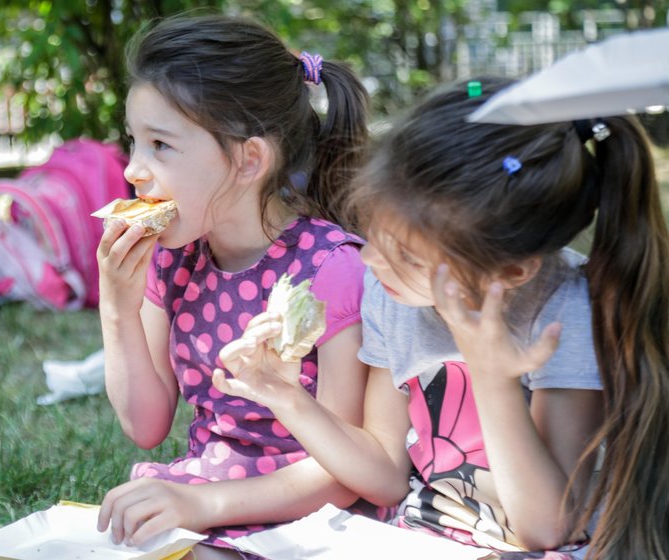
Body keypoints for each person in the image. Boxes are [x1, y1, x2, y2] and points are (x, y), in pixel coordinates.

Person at [214, 76, 669, 559]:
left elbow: (547, 527)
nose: (370, 264)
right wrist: (284, 396)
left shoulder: (564, 314)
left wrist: (492, 376)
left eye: (407, 255)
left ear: (512, 270)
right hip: (422, 538)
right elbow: (386, 476)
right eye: (373, 236)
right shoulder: (393, 294)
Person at [94, 14, 371, 558]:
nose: (133, 170)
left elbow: (346, 472)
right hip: (204, 494)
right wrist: (117, 308)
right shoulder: (175, 261)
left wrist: (202, 506)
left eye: (160, 146)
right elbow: (146, 425)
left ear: (249, 160)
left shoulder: (331, 269)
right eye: (134, 141)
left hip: (313, 519)